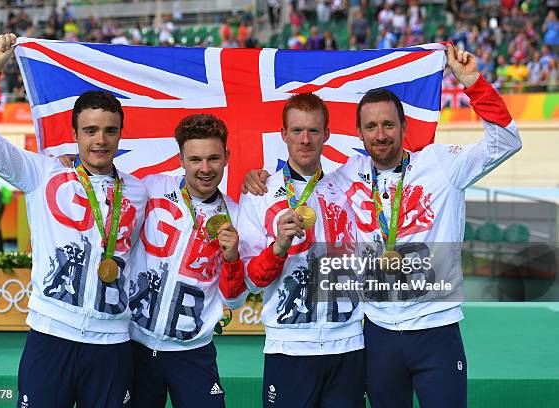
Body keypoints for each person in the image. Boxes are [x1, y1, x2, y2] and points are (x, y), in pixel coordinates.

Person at [243, 44, 522, 407]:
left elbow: (506, 141)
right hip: (378, 334)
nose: (381, 134)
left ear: (404, 127)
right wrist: (259, 175)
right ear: (359, 135)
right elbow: (302, 176)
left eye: (389, 124)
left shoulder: (440, 165)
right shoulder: (346, 177)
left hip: (435, 327)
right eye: (371, 127)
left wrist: (472, 83)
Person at [0, 33, 148, 407]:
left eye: (110, 131)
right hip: (50, 337)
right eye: (91, 131)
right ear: (74, 134)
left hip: (111, 343)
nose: (100, 140)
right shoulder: (42, 174)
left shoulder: (140, 190)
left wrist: (251, 178)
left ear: (121, 134)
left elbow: (200, 184)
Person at [237, 93, 365, 408]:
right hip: (289, 348)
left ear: (327, 135)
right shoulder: (260, 194)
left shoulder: (350, 187)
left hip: (347, 345)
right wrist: (278, 246)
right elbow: (252, 280)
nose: (305, 140)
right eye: (296, 131)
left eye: (313, 131)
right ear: (283, 135)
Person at [128, 114, 247, 408]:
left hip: (193, 352)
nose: (205, 169)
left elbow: (234, 302)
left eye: (213, 159)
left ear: (227, 158)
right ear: (181, 158)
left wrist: (232, 259)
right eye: (195, 159)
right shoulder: (150, 188)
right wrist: (72, 162)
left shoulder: (237, 215)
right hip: (134, 346)